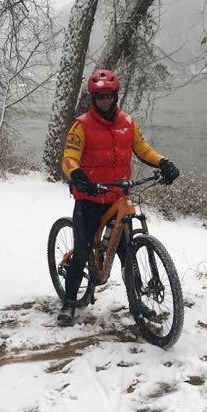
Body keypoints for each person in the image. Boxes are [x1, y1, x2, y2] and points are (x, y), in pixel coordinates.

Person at [58, 69, 179, 326]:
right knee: (81, 250)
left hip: (117, 198)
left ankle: (136, 303)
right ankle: (69, 302)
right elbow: (69, 156)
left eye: (109, 96)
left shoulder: (127, 123)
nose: (105, 101)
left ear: (115, 95)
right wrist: (77, 174)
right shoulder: (81, 126)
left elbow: (143, 149)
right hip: (89, 197)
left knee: (128, 254)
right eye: (100, 96)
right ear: (93, 98)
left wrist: (163, 162)